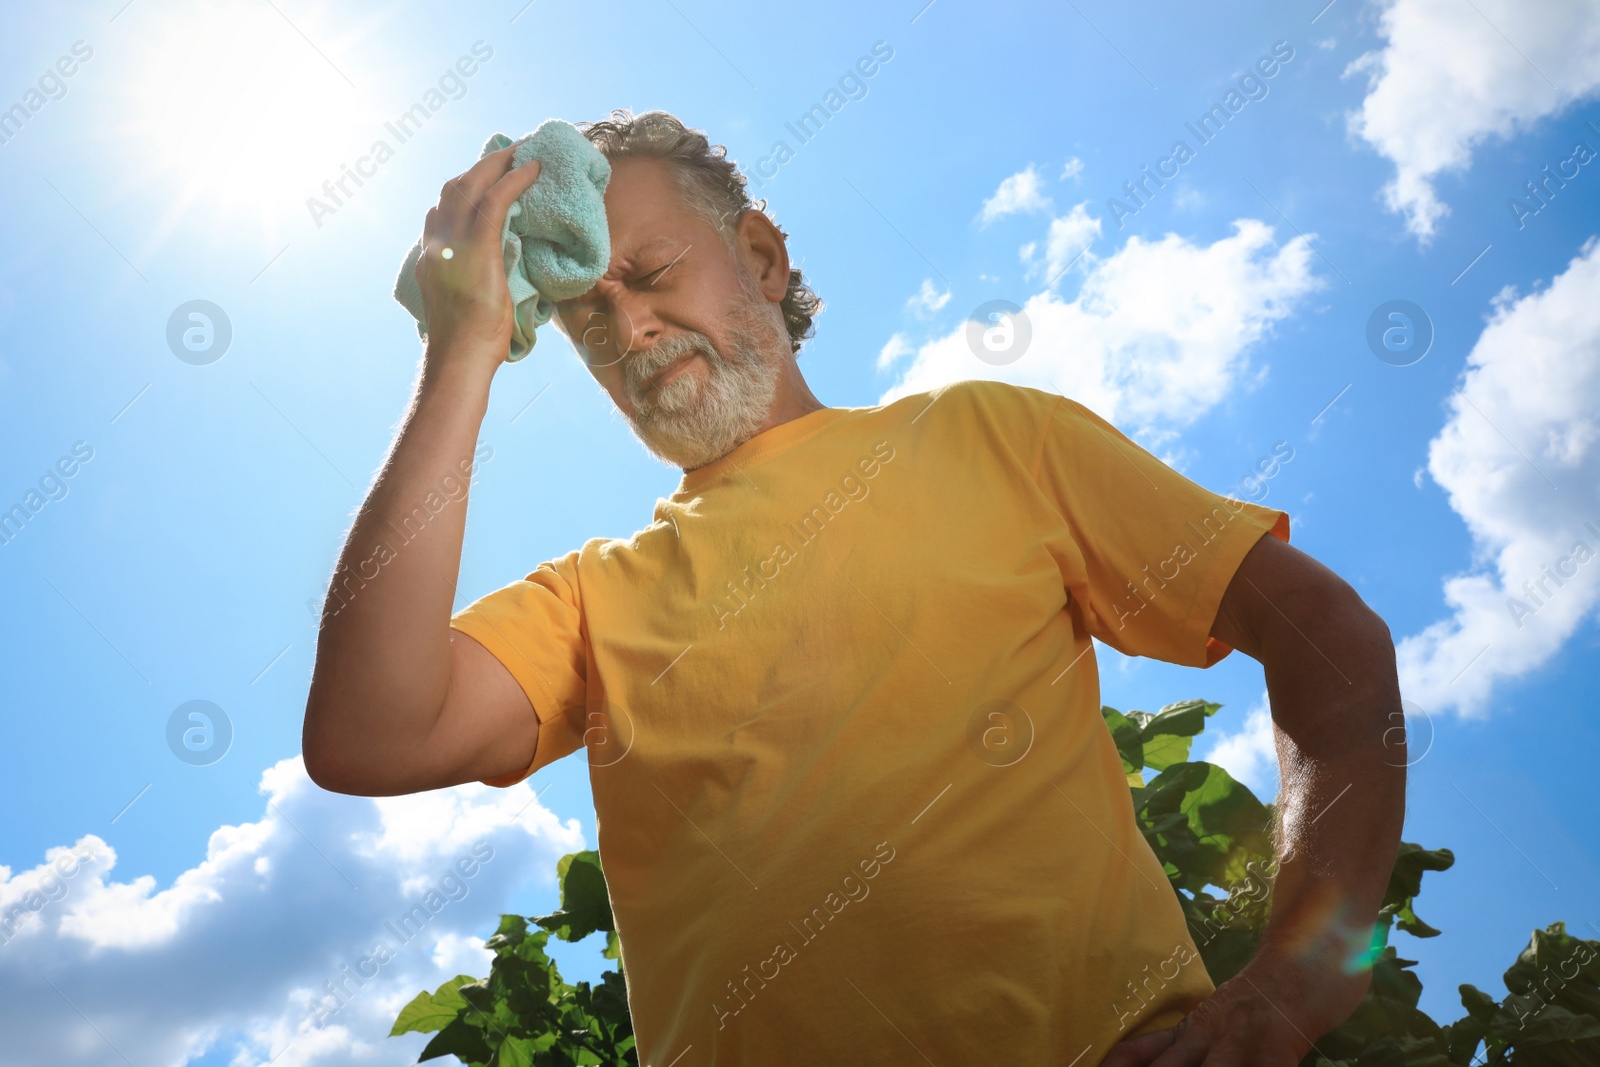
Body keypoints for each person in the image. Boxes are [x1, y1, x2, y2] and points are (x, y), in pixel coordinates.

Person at [301, 109, 1405, 1067]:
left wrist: (1298, 981)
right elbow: (372, 737)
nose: (627, 328)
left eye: (648, 275)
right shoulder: (593, 598)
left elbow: (1323, 635)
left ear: (763, 257)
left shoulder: (988, 434)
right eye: (589, 319)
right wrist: (461, 352)